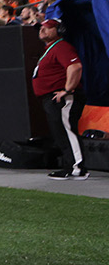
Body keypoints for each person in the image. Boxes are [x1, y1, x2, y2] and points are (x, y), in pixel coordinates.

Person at [32, 15, 88, 180]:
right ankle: (70, 165)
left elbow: (75, 67)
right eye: (41, 27)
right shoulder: (51, 48)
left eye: (48, 27)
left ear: (59, 30)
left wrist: (67, 89)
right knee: (61, 131)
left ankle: (76, 167)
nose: (42, 29)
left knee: (66, 130)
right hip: (53, 97)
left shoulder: (61, 46)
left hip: (63, 97)